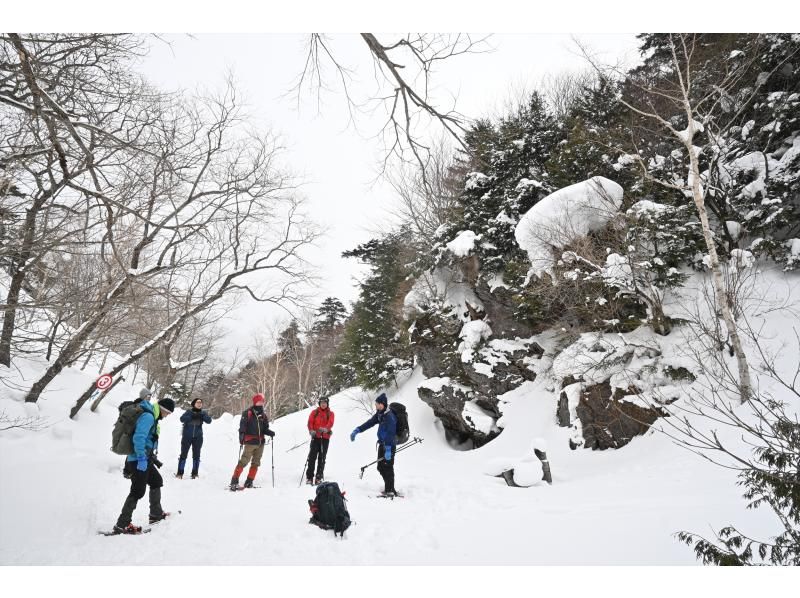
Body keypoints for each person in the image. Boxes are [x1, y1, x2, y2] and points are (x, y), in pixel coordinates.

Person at [113, 397, 175, 534]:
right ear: (163, 409)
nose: (167, 415)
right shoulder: (148, 416)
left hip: (145, 458)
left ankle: (156, 514)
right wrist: (141, 457)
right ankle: (122, 524)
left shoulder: (151, 415)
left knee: (156, 481)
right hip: (138, 459)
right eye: (168, 413)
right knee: (137, 490)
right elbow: (139, 437)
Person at [350, 393, 398, 496]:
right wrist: (358, 430)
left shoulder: (390, 416)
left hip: (389, 445)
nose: (375, 405)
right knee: (380, 467)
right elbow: (370, 423)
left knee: (388, 467)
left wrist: (389, 449)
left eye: (376, 404)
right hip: (382, 444)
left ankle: (390, 490)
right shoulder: (380, 414)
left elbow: (391, 433)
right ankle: (388, 488)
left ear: (382, 404)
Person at [230, 393, 275, 490]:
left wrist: (270, 432)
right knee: (244, 461)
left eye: (262, 401)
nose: (261, 403)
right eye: (259, 401)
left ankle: (249, 481)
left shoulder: (263, 415)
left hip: (260, 443)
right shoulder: (248, 413)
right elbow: (242, 427)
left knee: (256, 463)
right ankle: (234, 480)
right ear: (255, 402)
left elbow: (265, 428)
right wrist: (241, 438)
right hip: (250, 442)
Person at [176, 398, 212, 479]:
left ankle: (195, 474)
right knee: (183, 454)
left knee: (196, 456)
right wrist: (191, 416)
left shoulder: (203, 413)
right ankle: (179, 473)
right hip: (187, 437)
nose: (199, 404)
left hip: (198, 438)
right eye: (198, 402)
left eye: (201, 402)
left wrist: (202, 416)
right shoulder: (189, 412)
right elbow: (182, 419)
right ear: (194, 404)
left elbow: (209, 421)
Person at [305, 396, 334, 485]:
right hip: (315, 437)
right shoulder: (314, 412)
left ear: (327, 404)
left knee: (322, 458)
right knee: (312, 457)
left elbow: (331, 422)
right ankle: (309, 477)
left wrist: (326, 429)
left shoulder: (330, 413)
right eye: (322, 403)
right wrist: (311, 430)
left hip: (325, 438)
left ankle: (319, 476)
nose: (323, 404)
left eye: (325, 403)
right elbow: (310, 422)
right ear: (319, 404)